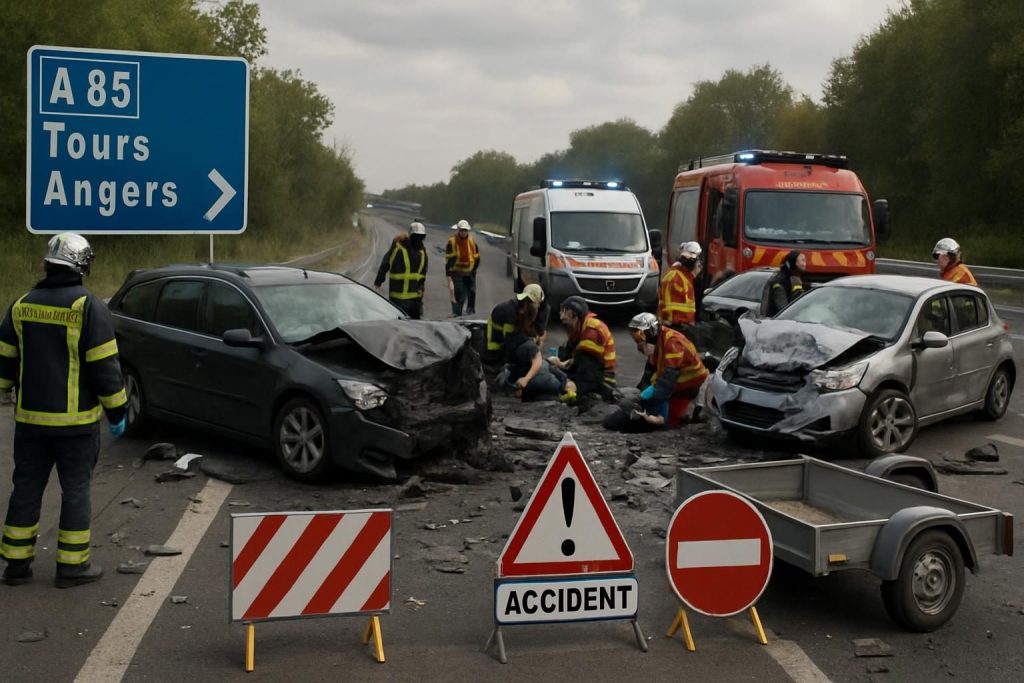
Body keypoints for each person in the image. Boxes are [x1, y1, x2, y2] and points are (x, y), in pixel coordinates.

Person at [0, 233, 127, 588]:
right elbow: (105, 368)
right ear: (82, 266)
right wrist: (117, 413)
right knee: (75, 491)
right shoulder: (89, 307)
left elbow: (4, 361)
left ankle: (16, 565)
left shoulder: (21, 305)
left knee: (25, 489)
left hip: (30, 423)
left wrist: (6, 390)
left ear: (49, 264)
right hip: (76, 426)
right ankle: (72, 567)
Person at [631, 312, 708, 427]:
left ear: (651, 331)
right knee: (647, 399)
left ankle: (684, 416)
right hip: (676, 380)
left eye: (640, 335)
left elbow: (670, 375)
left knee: (667, 422)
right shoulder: (658, 340)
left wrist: (656, 398)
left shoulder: (673, 342)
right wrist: (641, 392)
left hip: (688, 383)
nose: (638, 340)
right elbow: (650, 368)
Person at [548, 296, 617, 401]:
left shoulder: (591, 330)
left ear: (572, 313)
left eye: (564, 311)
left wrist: (575, 388)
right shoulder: (580, 328)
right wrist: (561, 364)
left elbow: (588, 369)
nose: (560, 314)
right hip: (590, 371)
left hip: (602, 379)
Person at [484, 284, 545, 372]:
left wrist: (535, 336)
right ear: (531, 301)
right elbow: (510, 340)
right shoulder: (509, 311)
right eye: (537, 303)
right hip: (494, 353)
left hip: (503, 346)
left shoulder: (520, 307)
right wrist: (533, 341)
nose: (538, 306)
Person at [375, 220, 428, 319]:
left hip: (411, 301)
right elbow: (386, 263)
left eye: (420, 237)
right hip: (401, 300)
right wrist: (379, 280)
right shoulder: (400, 248)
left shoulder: (421, 252)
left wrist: (378, 282)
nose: (418, 239)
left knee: (409, 326)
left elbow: (422, 275)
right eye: (417, 236)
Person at [658, 241, 702, 336]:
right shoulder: (677, 277)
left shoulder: (684, 277)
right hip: (675, 327)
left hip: (679, 326)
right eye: (698, 262)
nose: (700, 266)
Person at [445, 219, 481, 316]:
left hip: (469, 272)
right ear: (458, 230)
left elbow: (477, 257)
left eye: (465, 230)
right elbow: (448, 259)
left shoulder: (471, 242)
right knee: (459, 292)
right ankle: (457, 312)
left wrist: (474, 270)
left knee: (472, 291)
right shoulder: (452, 242)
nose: (463, 232)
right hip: (457, 272)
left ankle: (470, 309)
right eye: (462, 230)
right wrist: (448, 273)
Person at [764, 250, 806, 316]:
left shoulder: (796, 279)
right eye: (802, 260)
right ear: (793, 263)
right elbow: (783, 309)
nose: (804, 264)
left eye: (805, 261)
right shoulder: (780, 281)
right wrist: (797, 289)